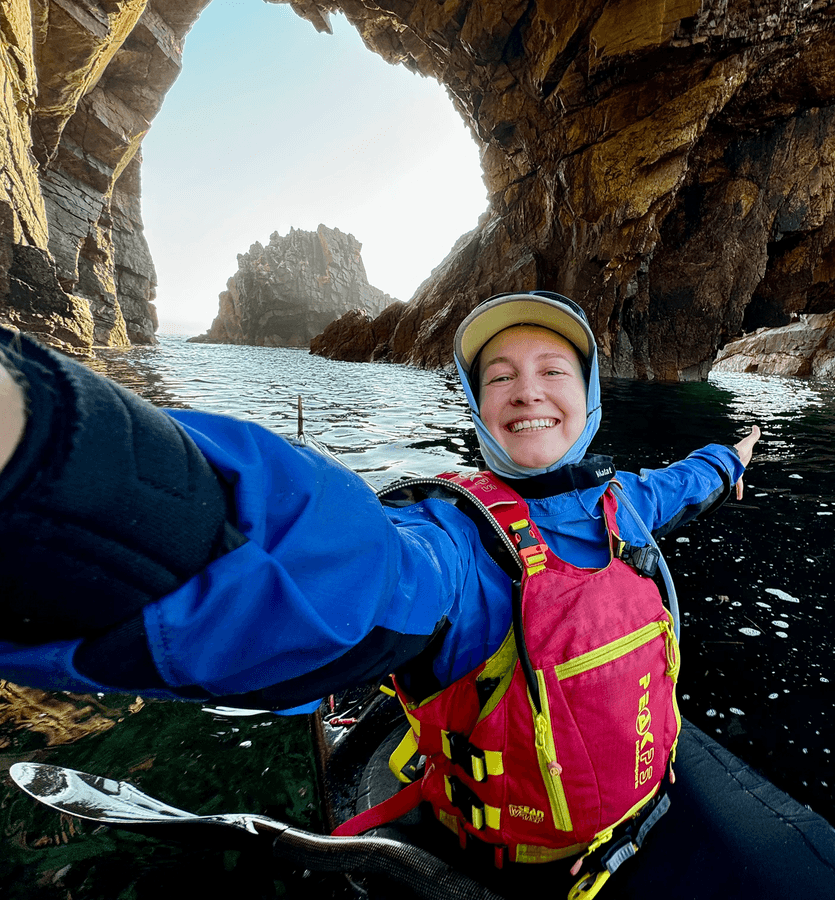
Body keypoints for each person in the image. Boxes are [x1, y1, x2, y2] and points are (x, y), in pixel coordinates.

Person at [0, 292, 759, 888]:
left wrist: (732, 455)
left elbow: (678, 486)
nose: (528, 391)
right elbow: (352, 569)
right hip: (514, 864)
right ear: (479, 405)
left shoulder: (622, 503)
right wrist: (48, 448)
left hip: (636, 821)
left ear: (589, 395)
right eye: (500, 376)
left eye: (553, 370)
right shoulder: (458, 549)